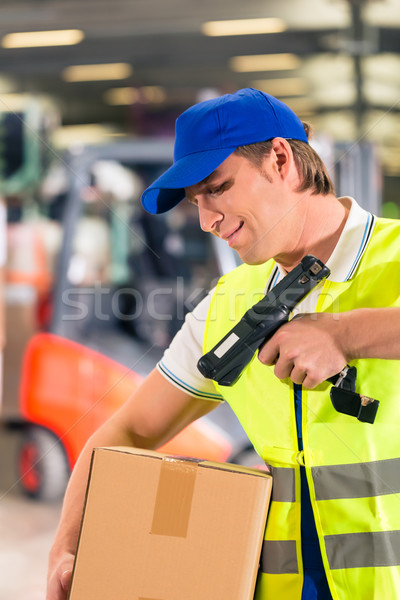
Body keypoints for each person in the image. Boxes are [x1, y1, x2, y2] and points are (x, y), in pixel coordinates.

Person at [47, 88, 400, 600]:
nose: (206, 219)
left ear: (281, 159)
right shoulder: (228, 305)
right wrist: (67, 544)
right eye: (195, 202)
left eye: (218, 187)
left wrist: (345, 333)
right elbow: (129, 429)